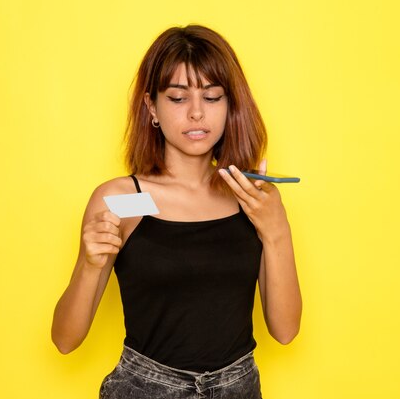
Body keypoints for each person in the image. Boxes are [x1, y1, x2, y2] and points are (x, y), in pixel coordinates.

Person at [51, 24, 302, 399]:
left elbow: (285, 331)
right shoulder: (121, 200)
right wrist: (90, 264)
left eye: (213, 97)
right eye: (178, 98)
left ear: (231, 104)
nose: (197, 113)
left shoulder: (253, 198)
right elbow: (65, 340)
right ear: (152, 106)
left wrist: (276, 229)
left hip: (239, 388)